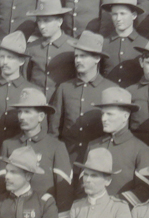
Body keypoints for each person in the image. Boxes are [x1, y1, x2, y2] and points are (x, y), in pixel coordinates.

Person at [0, 85, 73, 218]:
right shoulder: (8, 145)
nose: (21, 117)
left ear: (41, 116)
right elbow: (1, 187)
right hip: (13, 217)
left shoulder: (55, 146)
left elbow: (64, 192)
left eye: (27, 112)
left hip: (44, 217)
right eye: (20, 112)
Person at [49, 30, 115, 160]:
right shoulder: (64, 88)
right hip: (67, 158)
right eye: (76, 56)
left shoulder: (110, 89)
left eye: (83, 56)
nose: (78, 60)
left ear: (97, 58)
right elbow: (53, 130)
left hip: (98, 159)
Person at [87, 86, 149, 205]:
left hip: (124, 216)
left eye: (110, 114)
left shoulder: (140, 149)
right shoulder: (93, 146)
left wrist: (111, 204)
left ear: (125, 116)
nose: (103, 119)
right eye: (102, 114)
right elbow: (83, 186)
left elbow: (145, 190)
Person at [25, 0, 72, 97]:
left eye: (46, 21)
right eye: (39, 21)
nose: (41, 26)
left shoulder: (72, 47)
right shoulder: (31, 48)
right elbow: (25, 79)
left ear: (59, 21)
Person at [101, 0, 147, 86]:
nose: (118, 18)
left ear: (134, 15)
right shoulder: (102, 43)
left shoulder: (145, 44)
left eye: (123, 14)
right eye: (114, 14)